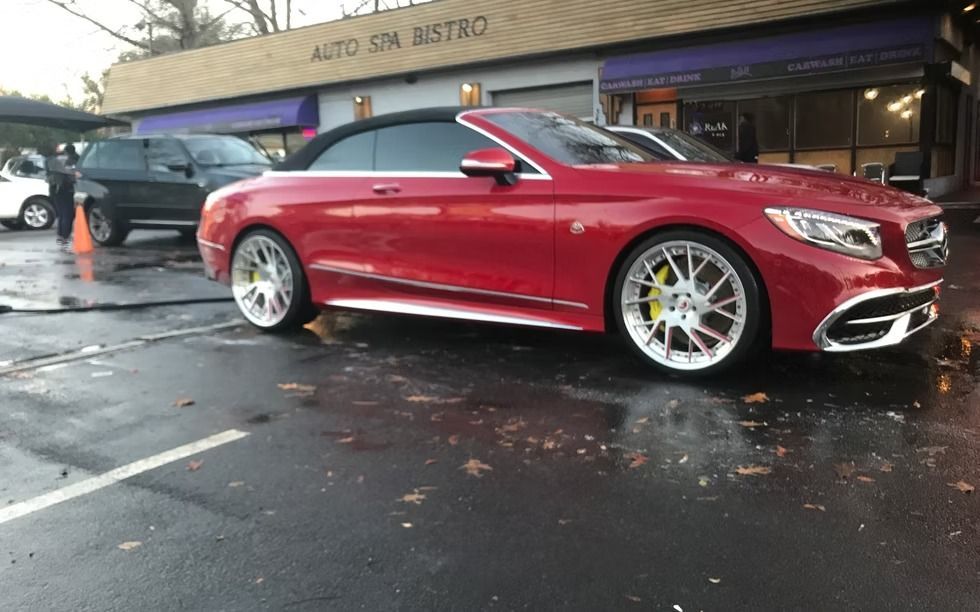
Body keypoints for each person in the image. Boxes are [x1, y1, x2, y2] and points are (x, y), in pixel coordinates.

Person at [41, 142, 76, 252]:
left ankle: (61, 237)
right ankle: (65, 238)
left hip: (55, 189)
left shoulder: (47, 160)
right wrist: (75, 174)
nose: (58, 148)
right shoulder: (55, 160)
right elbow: (67, 172)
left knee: (62, 214)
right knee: (67, 214)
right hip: (63, 189)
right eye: (56, 146)